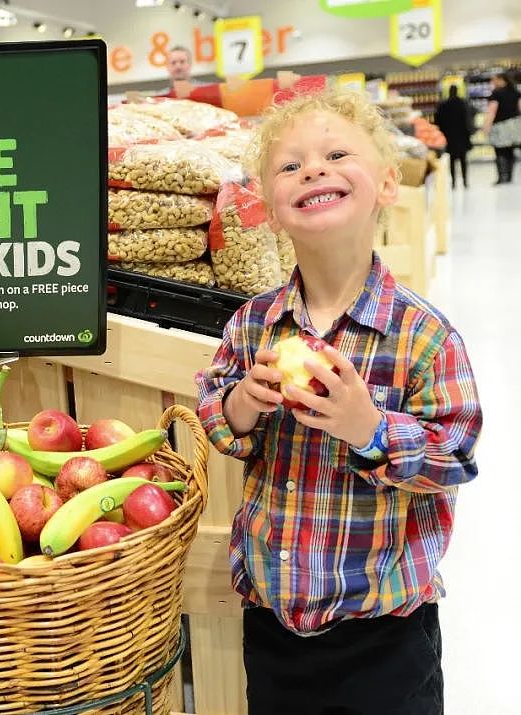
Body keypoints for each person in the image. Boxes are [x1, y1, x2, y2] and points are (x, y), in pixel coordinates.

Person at [195, 88, 482, 715]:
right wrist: (242, 403)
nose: (313, 170)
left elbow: (456, 458)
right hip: (273, 624)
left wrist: (372, 429)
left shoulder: (423, 336)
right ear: (270, 208)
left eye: (334, 154)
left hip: (385, 629)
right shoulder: (252, 327)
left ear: (386, 185)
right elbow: (212, 412)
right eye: (290, 166)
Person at [433, 84, 475, 188]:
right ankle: (465, 181)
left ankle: (453, 182)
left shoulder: (443, 105)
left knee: (452, 160)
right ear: (457, 91)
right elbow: (470, 118)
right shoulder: (463, 103)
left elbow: (437, 121)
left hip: (450, 136)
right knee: (463, 159)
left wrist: (442, 132)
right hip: (462, 135)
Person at [484, 72, 521, 184]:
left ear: (501, 80)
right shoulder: (515, 92)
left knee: (499, 151)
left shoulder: (496, 93)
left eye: (494, 80)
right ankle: (509, 176)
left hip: (500, 127)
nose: (492, 82)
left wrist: (486, 126)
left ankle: (501, 176)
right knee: (510, 151)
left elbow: (492, 111)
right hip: (514, 125)